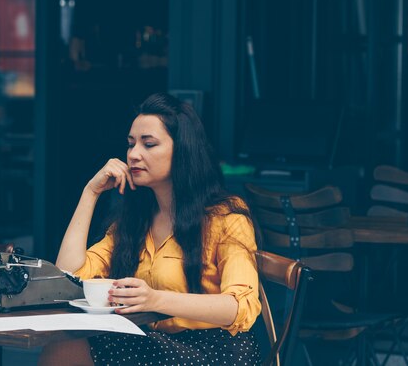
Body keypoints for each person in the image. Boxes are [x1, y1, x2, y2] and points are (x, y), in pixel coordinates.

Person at [39, 93, 261, 365]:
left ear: (182, 150)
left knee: (74, 347)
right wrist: (90, 192)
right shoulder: (135, 220)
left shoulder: (225, 215)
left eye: (149, 144)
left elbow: (241, 306)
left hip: (212, 349)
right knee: (63, 344)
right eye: (131, 144)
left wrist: (155, 299)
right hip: (152, 343)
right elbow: (68, 277)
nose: (133, 155)